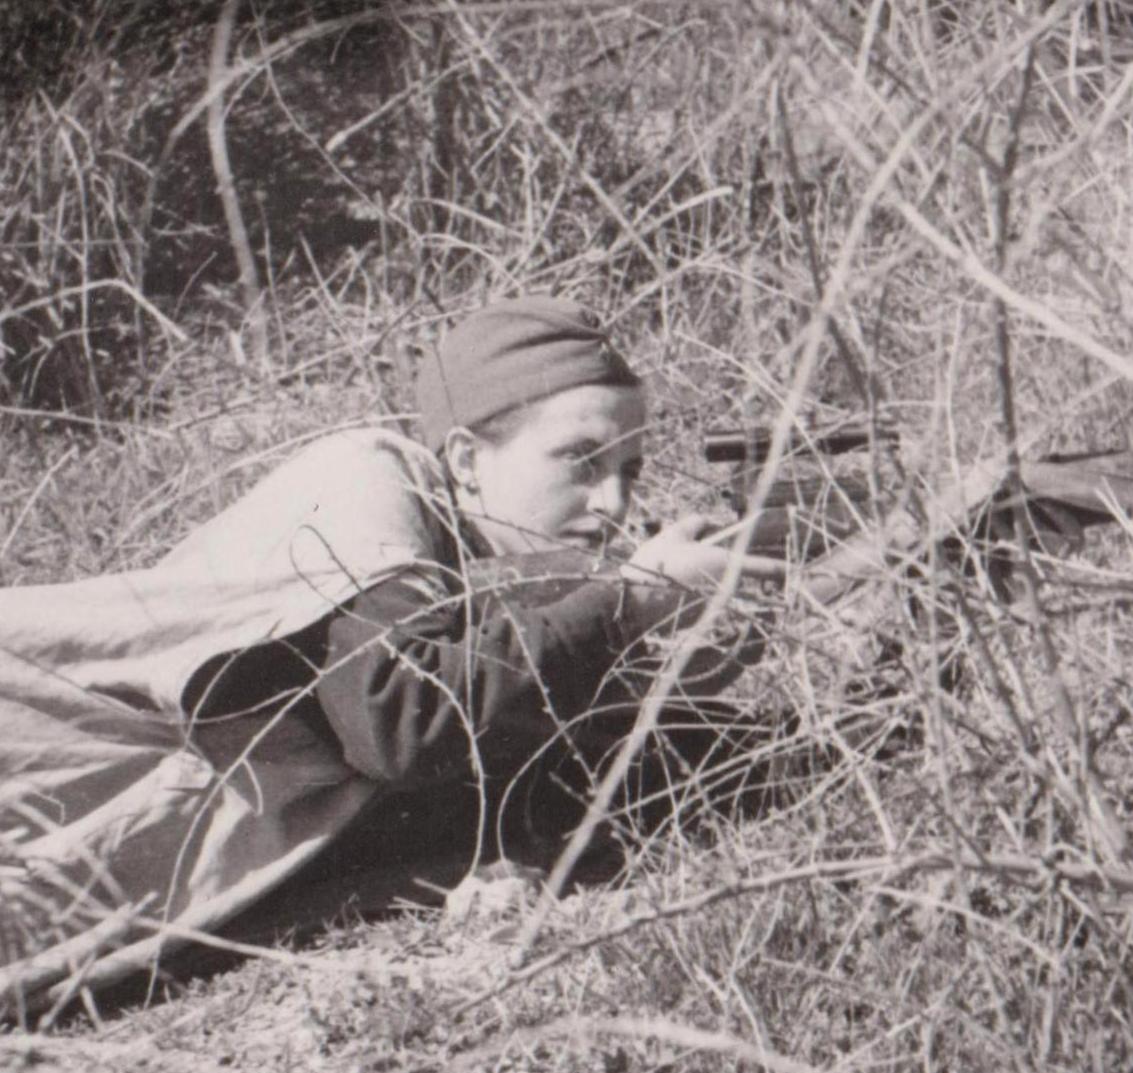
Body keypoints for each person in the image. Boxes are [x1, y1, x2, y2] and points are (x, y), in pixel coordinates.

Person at [0, 295, 782, 1011]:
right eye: (581, 461)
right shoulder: (367, 476)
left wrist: (682, 652)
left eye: (628, 470)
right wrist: (626, 602)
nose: (612, 503)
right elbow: (401, 718)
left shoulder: (465, 570)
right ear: (466, 460)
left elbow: (519, 738)